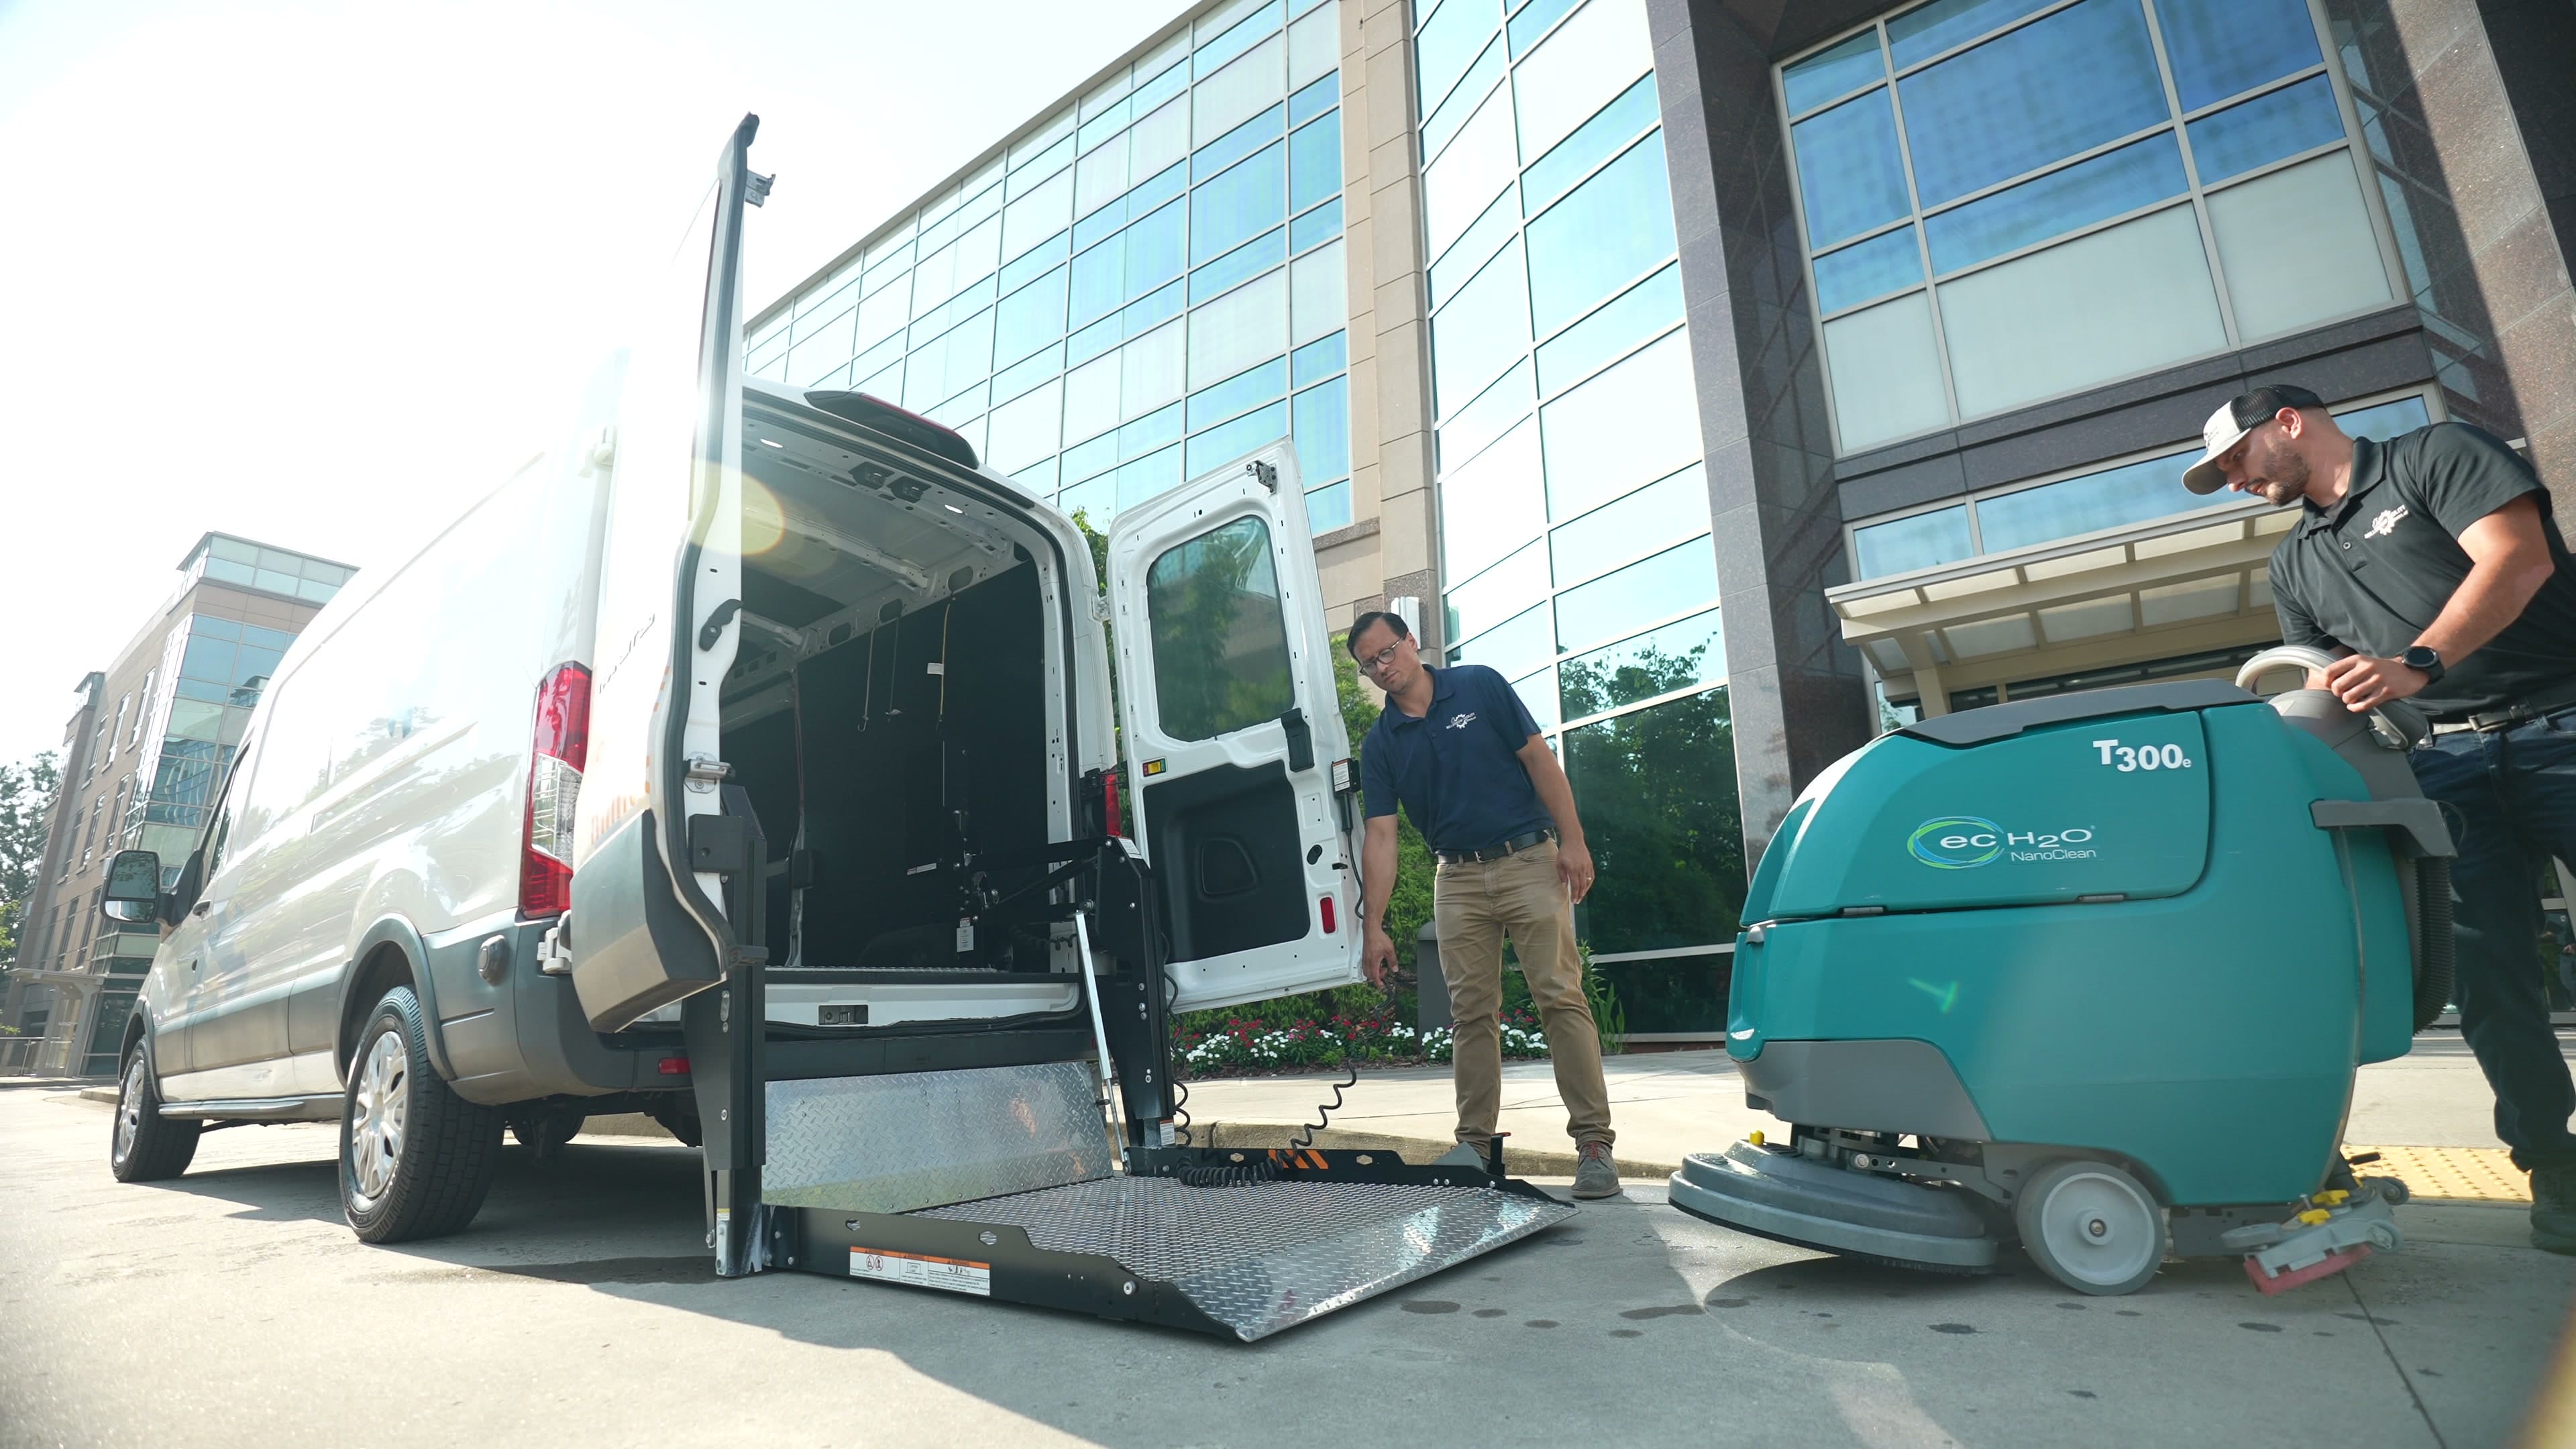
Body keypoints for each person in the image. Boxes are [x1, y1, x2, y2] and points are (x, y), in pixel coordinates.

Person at [2183, 383, 2576, 1252]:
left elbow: (2517, 560)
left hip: (2561, 719)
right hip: (2439, 765)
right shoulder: (2295, 564)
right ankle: (2556, 1166)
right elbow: (2329, 695)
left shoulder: (2436, 457)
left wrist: (2417, 663)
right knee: (2490, 977)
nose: (2237, 482)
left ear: (2288, 423)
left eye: (2237, 461)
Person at [1348, 610, 1621, 1199]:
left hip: (1529, 861)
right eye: (1370, 663)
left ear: (1411, 642)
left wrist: (1572, 840)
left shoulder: (1480, 686)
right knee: (1471, 1014)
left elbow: (1539, 761)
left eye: (1388, 651)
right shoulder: (1381, 744)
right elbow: (1382, 836)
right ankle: (1474, 1147)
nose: (1383, 666)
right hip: (1458, 879)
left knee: (1559, 996)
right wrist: (1375, 926)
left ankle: (1594, 1145)